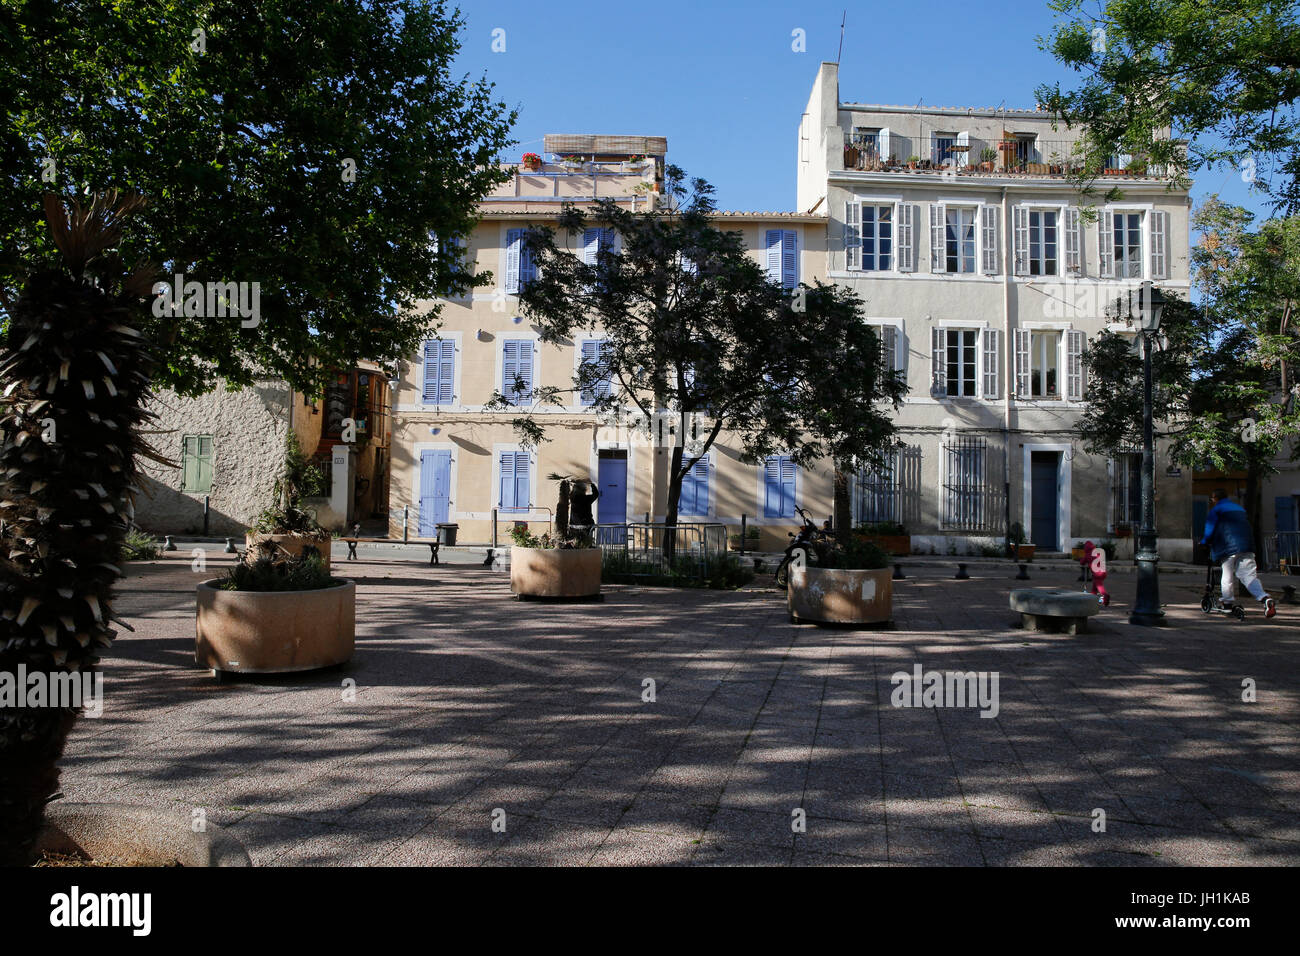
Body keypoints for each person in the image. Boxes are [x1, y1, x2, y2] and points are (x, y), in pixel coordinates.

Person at [1203, 489, 1276, 617]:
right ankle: (1264, 598)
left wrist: (1204, 541)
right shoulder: (1239, 508)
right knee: (1249, 576)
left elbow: (1210, 527)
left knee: (1227, 576)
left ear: (1215, 498)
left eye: (1212, 499)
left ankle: (1227, 603)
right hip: (1247, 545)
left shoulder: (1217, 509)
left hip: (1228, 546)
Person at [1081, 540, 1109, 606]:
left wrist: (1082, 559)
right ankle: (1092, 599)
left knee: (1100, 587)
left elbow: (1082, 562)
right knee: (1094, 587)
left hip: (1097, 574)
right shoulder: (1097, 552)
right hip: (1103, 572)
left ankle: (1105, 596)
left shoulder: (1087, 555)